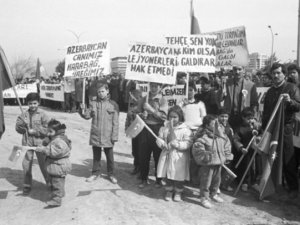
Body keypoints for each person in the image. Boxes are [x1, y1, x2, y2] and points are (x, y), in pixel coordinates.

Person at [262, 63, 300, 198]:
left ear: (284, 74)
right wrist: (263, 129)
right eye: (274, 73)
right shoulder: (270, 91)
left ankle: (293, 188)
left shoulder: (291, 88)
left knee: (288, 157)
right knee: (273, 156)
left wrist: (290, 101)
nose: (276, 75)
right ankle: (274, 184)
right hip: (272, 130)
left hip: (285, 129)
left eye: (278, 73)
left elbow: (298, 106)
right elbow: (266, 112)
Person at [79, 83, 119, 184]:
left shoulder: (113, 104)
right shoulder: (93, 103)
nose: (101, 93)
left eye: (103, 91)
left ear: (107, 91)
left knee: (109, 156)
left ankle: (111, 174)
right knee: (96, 156)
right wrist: (82, 110)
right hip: (96, 134)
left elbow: (116, 122)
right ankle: (95, 173)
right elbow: (87, 116)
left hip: (108, 135)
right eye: (99, 92)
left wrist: (114, 136)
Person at [192, 115, 233, 209]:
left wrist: (227, 156)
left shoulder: (221, 136)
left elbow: (227, 145)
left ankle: (213, 194)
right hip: (208, 164)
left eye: (217, 123)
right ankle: (204, 198)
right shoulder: (203, 137)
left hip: (218, 163)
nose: (217, 125)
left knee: (216, 181)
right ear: (207, 126)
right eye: (214, 124)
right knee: (206, 182)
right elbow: (197, 150)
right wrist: (206, 155)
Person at [15, 92, 50, 195]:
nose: (32, 105)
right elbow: (18, 129)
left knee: (44, 164)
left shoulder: (43, 114)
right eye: (30, 103)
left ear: (38, 103)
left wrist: (35, 131)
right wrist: (21, 125)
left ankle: (49, 182)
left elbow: (48, 129)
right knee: (26, 164)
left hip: (40, 144)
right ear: (27, 104)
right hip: (27, 143)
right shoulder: (23, 115)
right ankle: (27, 184)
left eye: (34, 103)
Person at [156, 106, 193, 202]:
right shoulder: (164, 128)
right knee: (167, 174)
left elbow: (188, 143)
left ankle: (178, 192)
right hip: (167, 154)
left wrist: (176, 144)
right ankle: (169, 190)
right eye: (170, 117)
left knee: (178, 175)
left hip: (179, 157)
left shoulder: (185, 130)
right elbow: (159, 138)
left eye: (175, 117)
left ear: (180, 117)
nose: (172, 119)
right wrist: (161, 143)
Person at [137, 82, 168, 188]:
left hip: (157, 129)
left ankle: (158, 179)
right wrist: (141, 114)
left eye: (156, 86)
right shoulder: (144, 99)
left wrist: (151, 110)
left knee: (158, 155)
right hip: (145, 128)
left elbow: (163, 117)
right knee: (144, 155)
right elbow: (135, 113)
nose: (154, 88)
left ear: (160, 87)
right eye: (152, 86)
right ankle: (143, 179)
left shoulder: (163, 100)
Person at [36, 119, 71, 207]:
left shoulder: (60, 141)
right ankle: (60, 194)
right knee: (58, 182)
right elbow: (48, 142)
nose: (48, 133)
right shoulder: (55, 138)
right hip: (57, 166)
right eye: (48, 131)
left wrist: (44, 150)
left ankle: (56, 200)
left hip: (58, 166)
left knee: (56, 183)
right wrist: (44, 143)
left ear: (57, 132)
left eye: (50, 132)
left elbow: (56, 152)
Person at [232, 107, 261, 192]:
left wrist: (259, 137)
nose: (250, 120)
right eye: (248, 118)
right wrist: (241, 148)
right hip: (245, 151)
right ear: (243, 118)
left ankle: (254, 182)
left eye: (252, 118)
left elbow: (262, 133)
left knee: (255, 167)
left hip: (255, 151)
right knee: (245, 167)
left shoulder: (256, 126)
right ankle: (244, 182)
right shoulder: (240, 128)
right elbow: (235, 139)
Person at [224, 65, 258, 130]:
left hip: (244, 118)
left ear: (244, 70)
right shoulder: (226, 83)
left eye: (239, 69)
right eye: (235, 69)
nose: (237, 72)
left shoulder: (251, 85)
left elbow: (254, 103)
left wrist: (254, 118)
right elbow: (219, 99)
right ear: (232, 71)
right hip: (230, 117)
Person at [125, 89, 143, 175]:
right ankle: (136, 166)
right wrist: (126, 129)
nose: (133, 99)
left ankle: (140, 167)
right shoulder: (131, 107)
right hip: (134, 132)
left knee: (141, 151)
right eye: (132, 97)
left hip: (141, 132)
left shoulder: (143, 108)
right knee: (135, 151)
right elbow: (127, 119)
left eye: (136, 97)